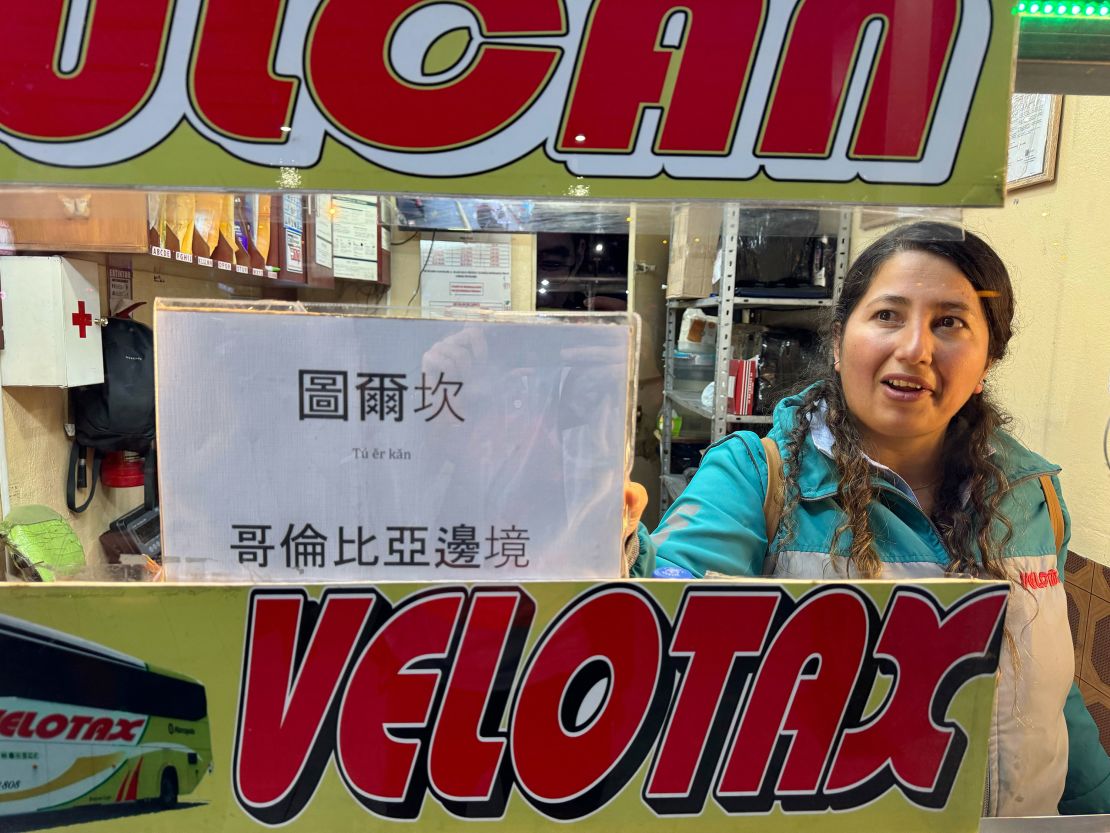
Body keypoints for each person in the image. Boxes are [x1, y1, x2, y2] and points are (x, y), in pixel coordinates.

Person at [622, 221, 1110, 817]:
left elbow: (1053, 697)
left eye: (950, 322)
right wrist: (618, 544)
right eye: (887, 315)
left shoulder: (1033, 496)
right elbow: (665, 614)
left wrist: (1096, 807)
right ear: (837, 340)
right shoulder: (757, 476)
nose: (914, 348)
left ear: (989, 359)